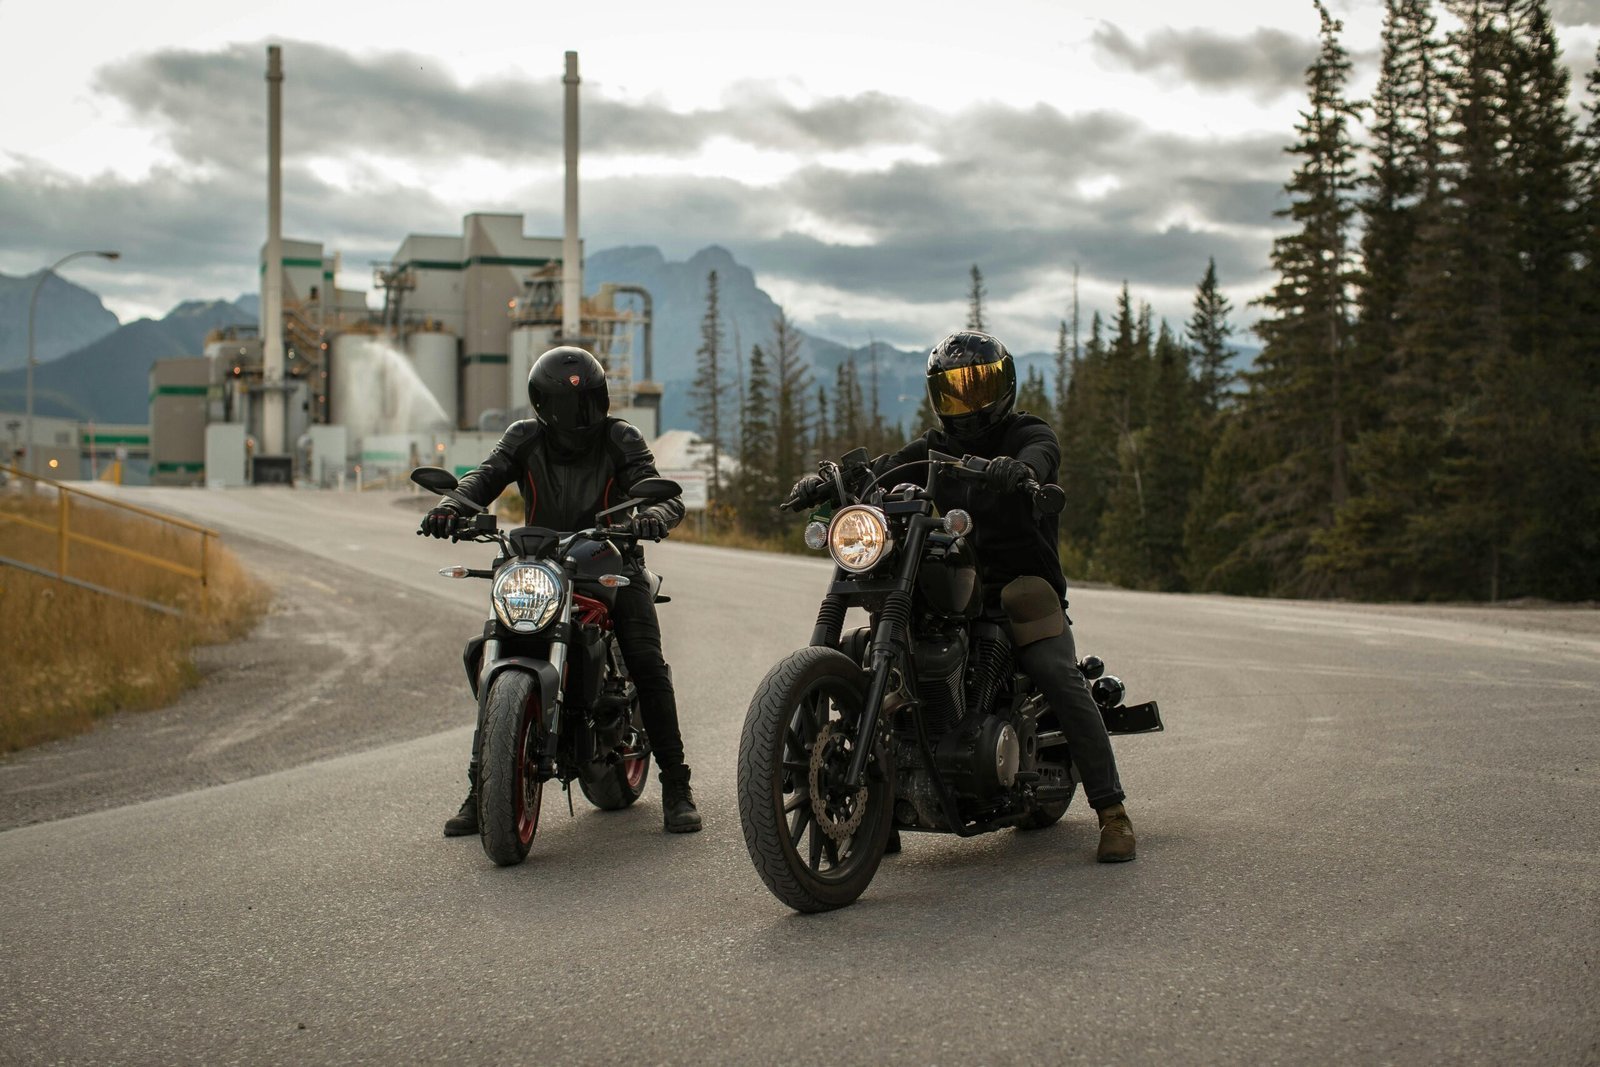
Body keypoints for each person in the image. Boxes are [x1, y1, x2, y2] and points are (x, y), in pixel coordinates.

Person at [790, 330, 1135, 862]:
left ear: (1005, 386)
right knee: (873, 647)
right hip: (949, 578)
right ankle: (883, 802)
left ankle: (1112, 812)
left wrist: (1020, 471)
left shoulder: (1027, 434)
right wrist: (833, 479)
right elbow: (885, 468)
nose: (967, 402)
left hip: (1019, 585)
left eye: (978, 387)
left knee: (1055, 671)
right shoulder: (933, 450)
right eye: (954, 390)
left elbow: (1043, 454)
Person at [420, 345, 702, 835]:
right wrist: (454, 506)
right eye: (575, 402)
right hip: (540, 563)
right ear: (543, 406)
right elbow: (482, 478)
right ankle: (482, 786)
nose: (585, 411)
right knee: (490, 648)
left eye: (591, 398)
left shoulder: (621, 437)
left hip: (611, 561)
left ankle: (676, 786)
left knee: (647, 665)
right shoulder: (523, 439)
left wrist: (653, 516)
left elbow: (652, 484)